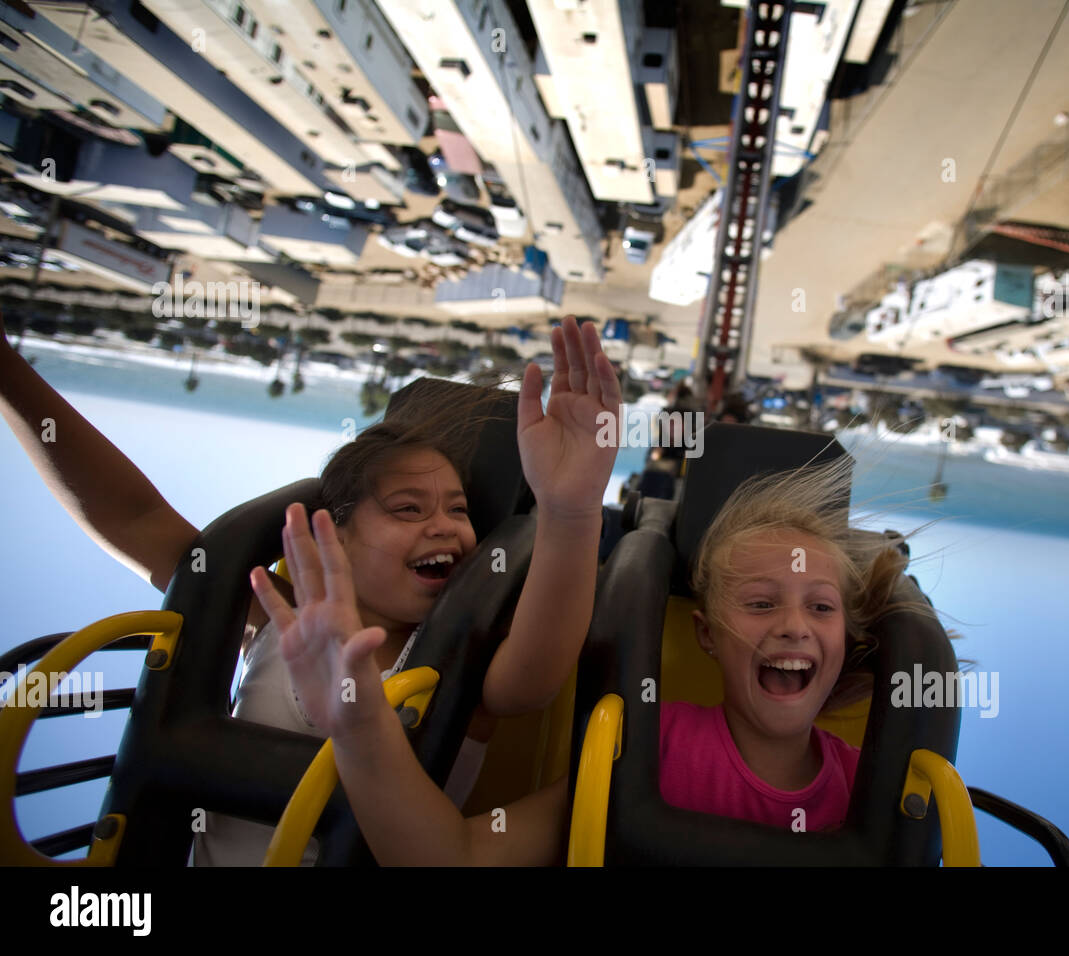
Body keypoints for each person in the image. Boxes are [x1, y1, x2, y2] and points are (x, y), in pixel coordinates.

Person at [0, 312, 622, 864]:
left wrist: (570, 511)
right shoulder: (276, 624)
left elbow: (537, 669)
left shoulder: (459, 654)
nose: (446, 526)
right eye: (408, 509)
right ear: (337, 543)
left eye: (459, 511)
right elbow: (134, 519)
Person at [256, 453, 945, 863]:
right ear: (706, 635)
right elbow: (454, 855)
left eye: (820, 607)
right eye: (761, 604)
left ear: (848, 637)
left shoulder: (880, 785)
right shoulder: (645, 746)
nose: (795, 626)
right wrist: (357, 725)